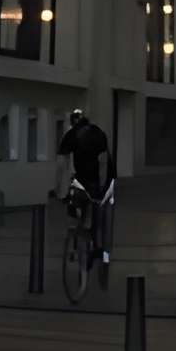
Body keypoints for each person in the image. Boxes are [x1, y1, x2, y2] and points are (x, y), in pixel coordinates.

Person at [57, 106, 114, 260]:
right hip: (95, 182)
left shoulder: (71, 134)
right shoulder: (98, 133)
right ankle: (96, 246)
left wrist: (59, 191)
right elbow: (104, 160)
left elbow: (62, 163)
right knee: (96, 213)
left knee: (74, 209)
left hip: (78, 182)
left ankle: (74, 243)